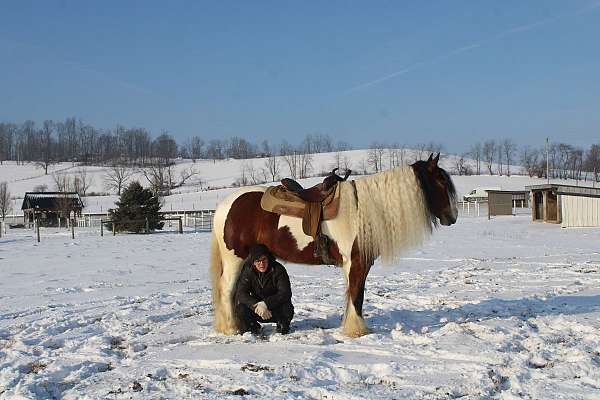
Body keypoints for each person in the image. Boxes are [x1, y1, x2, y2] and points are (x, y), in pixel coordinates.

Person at [235, 244, 294, 335]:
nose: (261, 264)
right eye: (258, 261)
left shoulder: (278, 269)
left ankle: (282, 324)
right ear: (253, 262)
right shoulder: (248, 270)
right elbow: (241, 293)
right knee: (241, 309)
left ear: (268, 258)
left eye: (264, 260)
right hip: (258, 309)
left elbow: (285, 293)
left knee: (287, 308)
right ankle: (253, 327)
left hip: (275, 308)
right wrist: (255, 305)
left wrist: (266, 304)